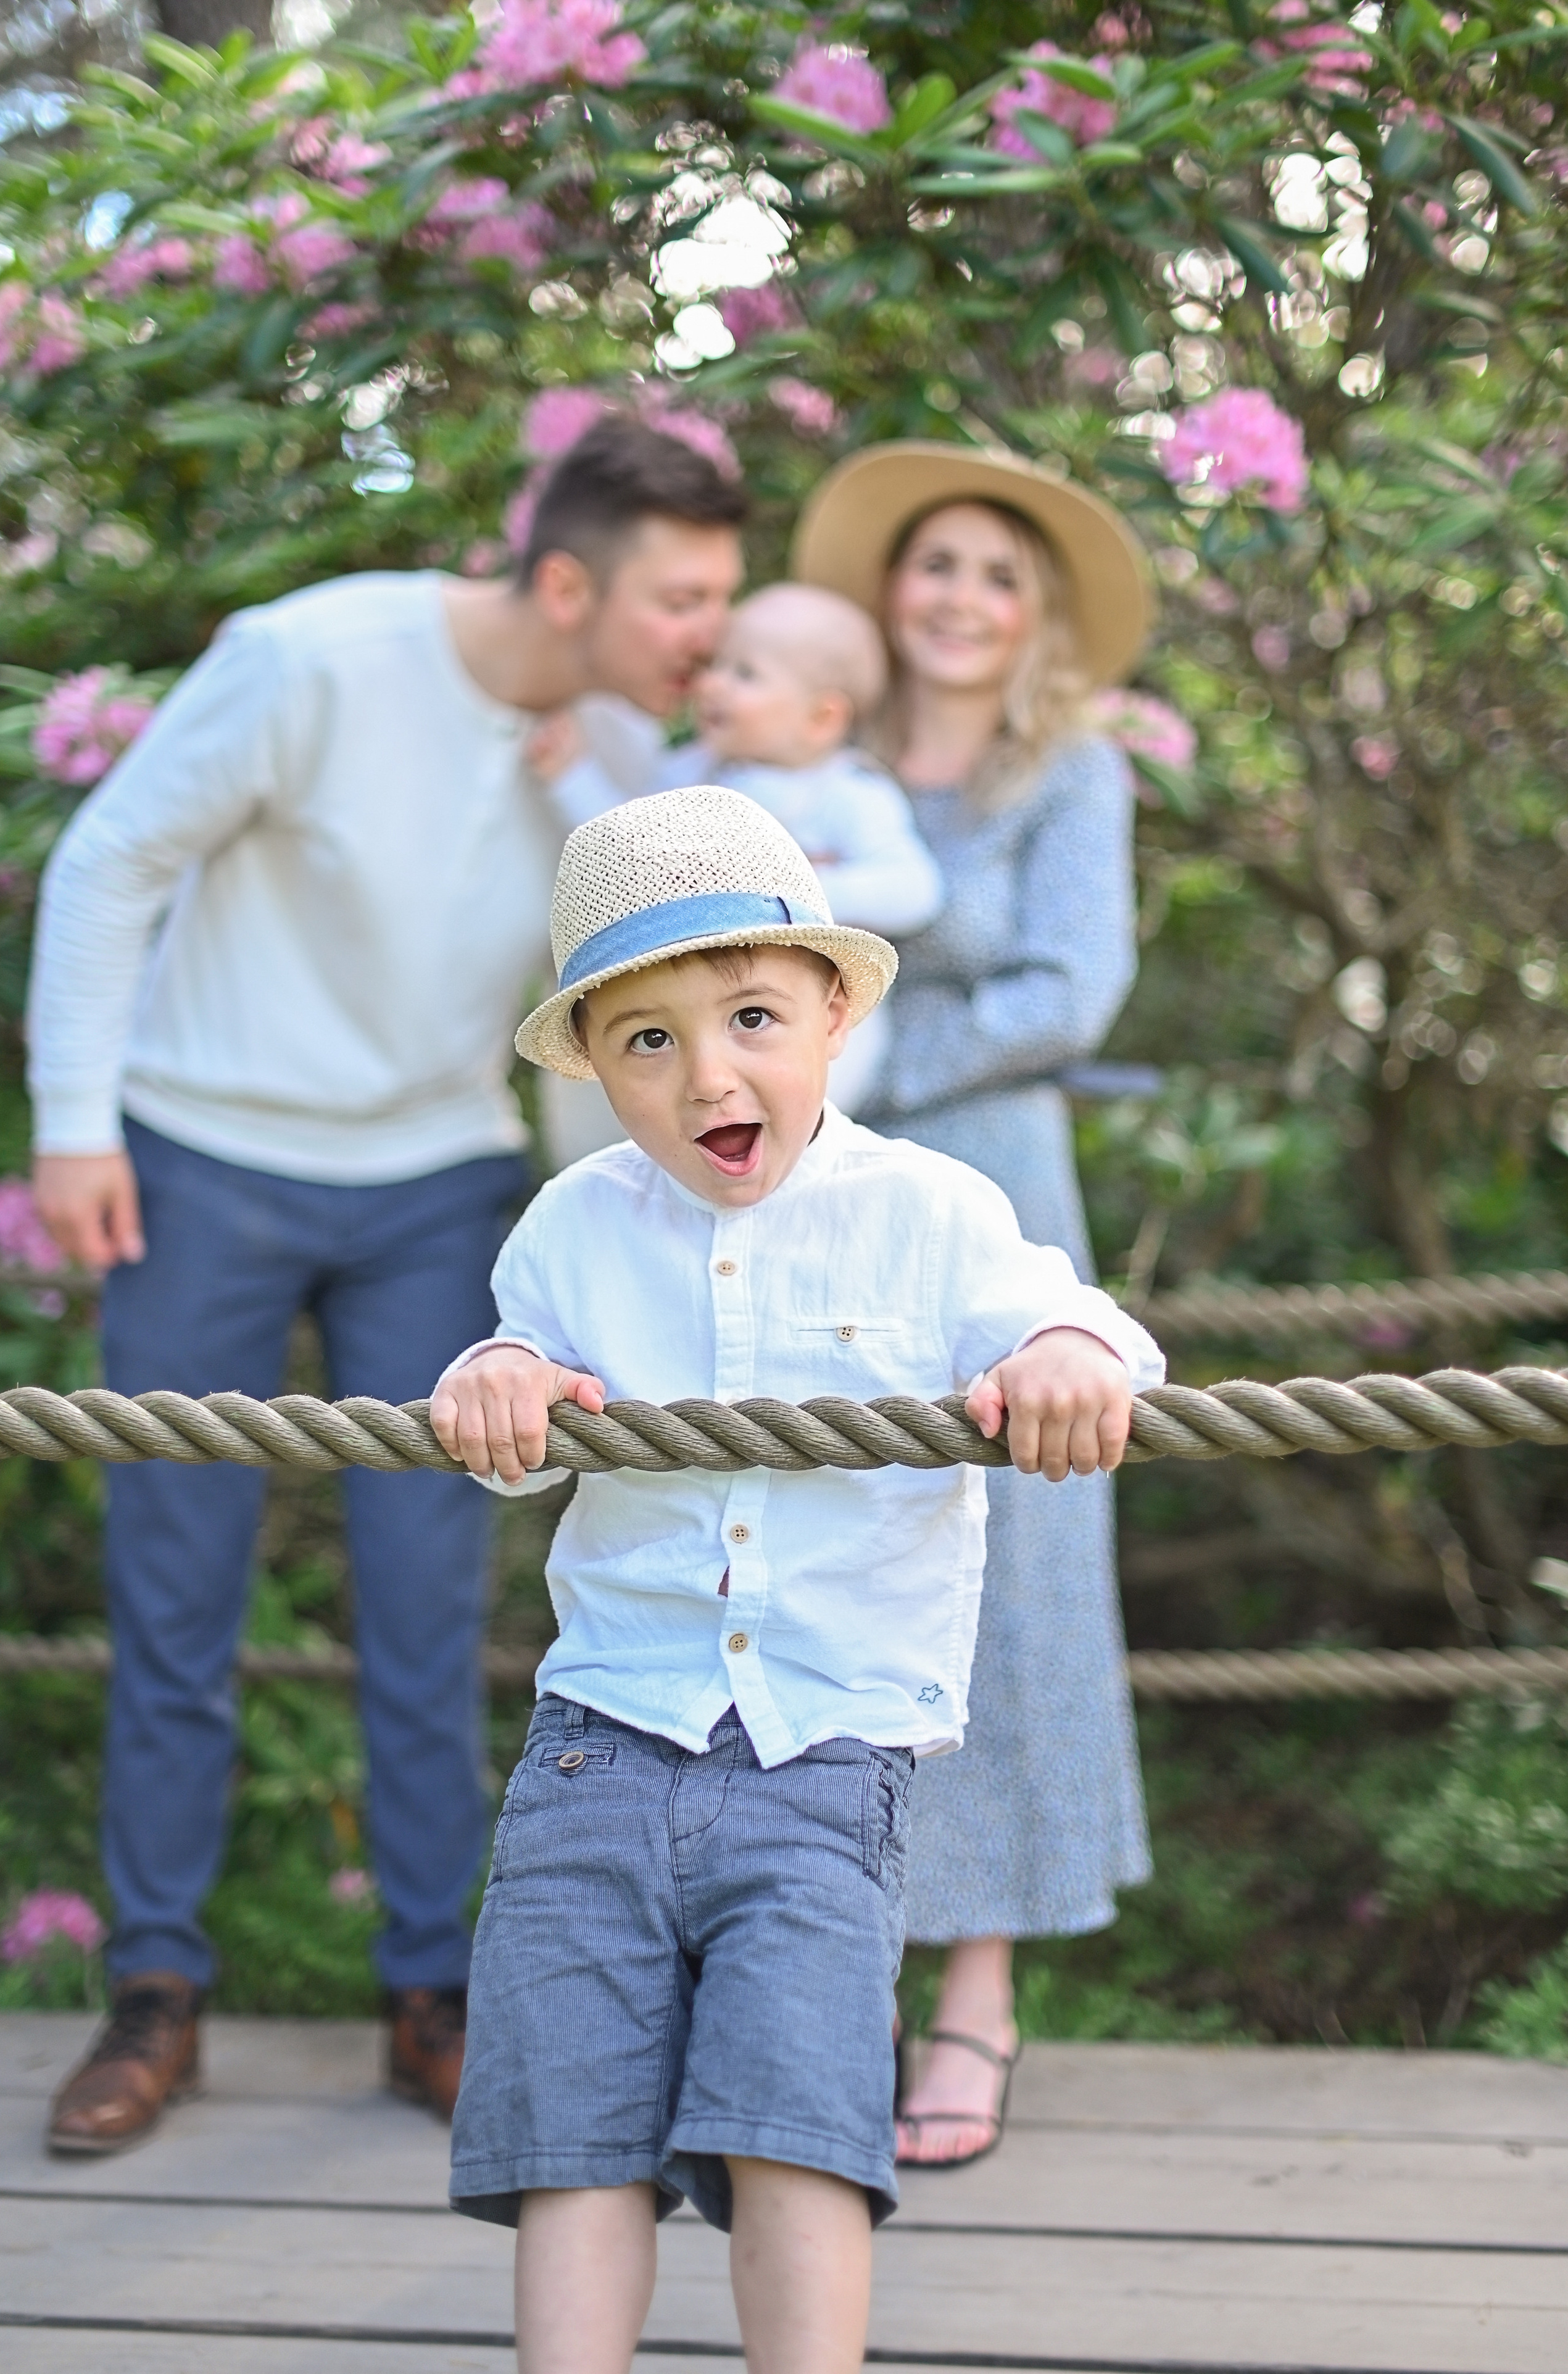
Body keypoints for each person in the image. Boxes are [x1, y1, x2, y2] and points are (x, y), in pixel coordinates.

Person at [25, 420, 747, 2156]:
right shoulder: (311, 657)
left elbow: (635, 1014)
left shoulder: (624, 751)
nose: (707, 638)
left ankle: (432, 1987)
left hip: (436, 1191)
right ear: (565, 582)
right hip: (202, 1162)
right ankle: (155, 1987)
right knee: (175, 1594)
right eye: (680, 600)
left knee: (430, 1612)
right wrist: (72, 1122)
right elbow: (114, 859)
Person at [428, 784, 1164, 2374]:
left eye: (751, 1016)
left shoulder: (930, 1212)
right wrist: (499, 1377)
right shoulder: (571, 1225)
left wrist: (1058, 1351)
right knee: (571, 2133)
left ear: (834, 1012)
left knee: (797, 2123)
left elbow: (1092, 1330)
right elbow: (518, 1426)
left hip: (825, 1756)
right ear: (593, 1065)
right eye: (647, 1040)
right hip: (598, 1746)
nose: (708, 1075)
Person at [793, 441, 1154, 2168]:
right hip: (810, 1200)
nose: (958, 595)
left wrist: (854, 1060)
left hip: (993, 1188)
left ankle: (979, 1993)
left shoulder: (1069, 772)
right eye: (934, 561)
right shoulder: (819, 756)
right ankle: (829, 1963)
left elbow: (1069, 988)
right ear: (889, 589)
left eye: (997, 575)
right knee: (826, 1549)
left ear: (1034, 618)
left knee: (1005, 1570)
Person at [544, 581, 943, 1111]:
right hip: (699, 1010)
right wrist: (570, 775)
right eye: (716, 665)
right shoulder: (693, 771)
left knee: (803, 1106)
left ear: (822, 718)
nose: (712, 684)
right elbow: (624, 849)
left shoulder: (849, 793)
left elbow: (915, 890)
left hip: (805, 1009)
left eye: (745, 674)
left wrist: (794, 891)